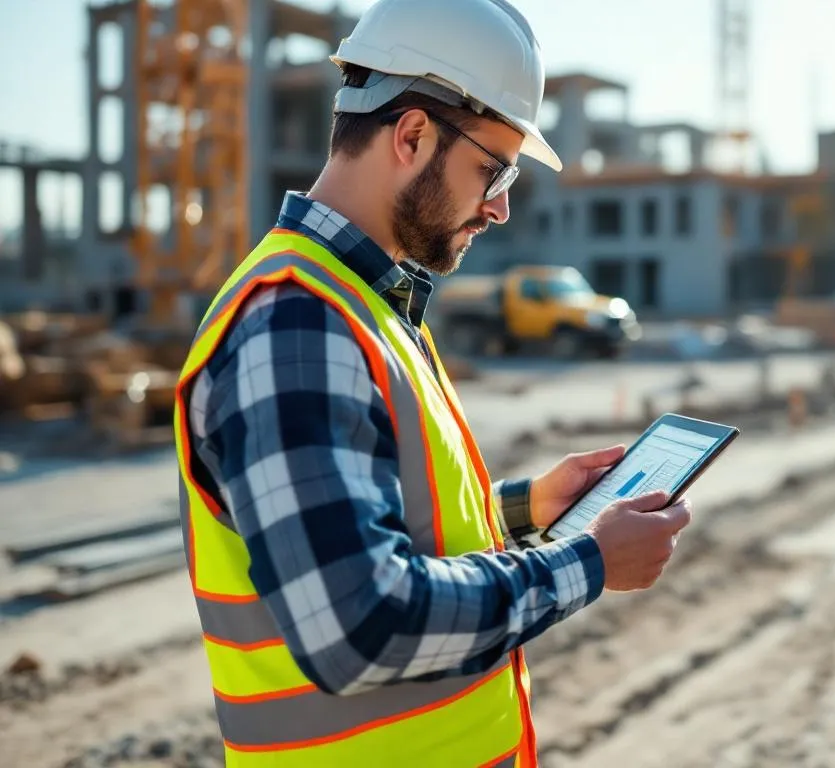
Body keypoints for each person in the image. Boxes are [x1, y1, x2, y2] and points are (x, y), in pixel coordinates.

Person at [171, 1, 691, 765]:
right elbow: (359, 625)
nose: (501, 206)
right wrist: (588, 562)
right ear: (411, 136)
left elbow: (377, 516)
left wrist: (523, 508)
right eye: (493, 169)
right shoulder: (297, 323)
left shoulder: (363, 306)